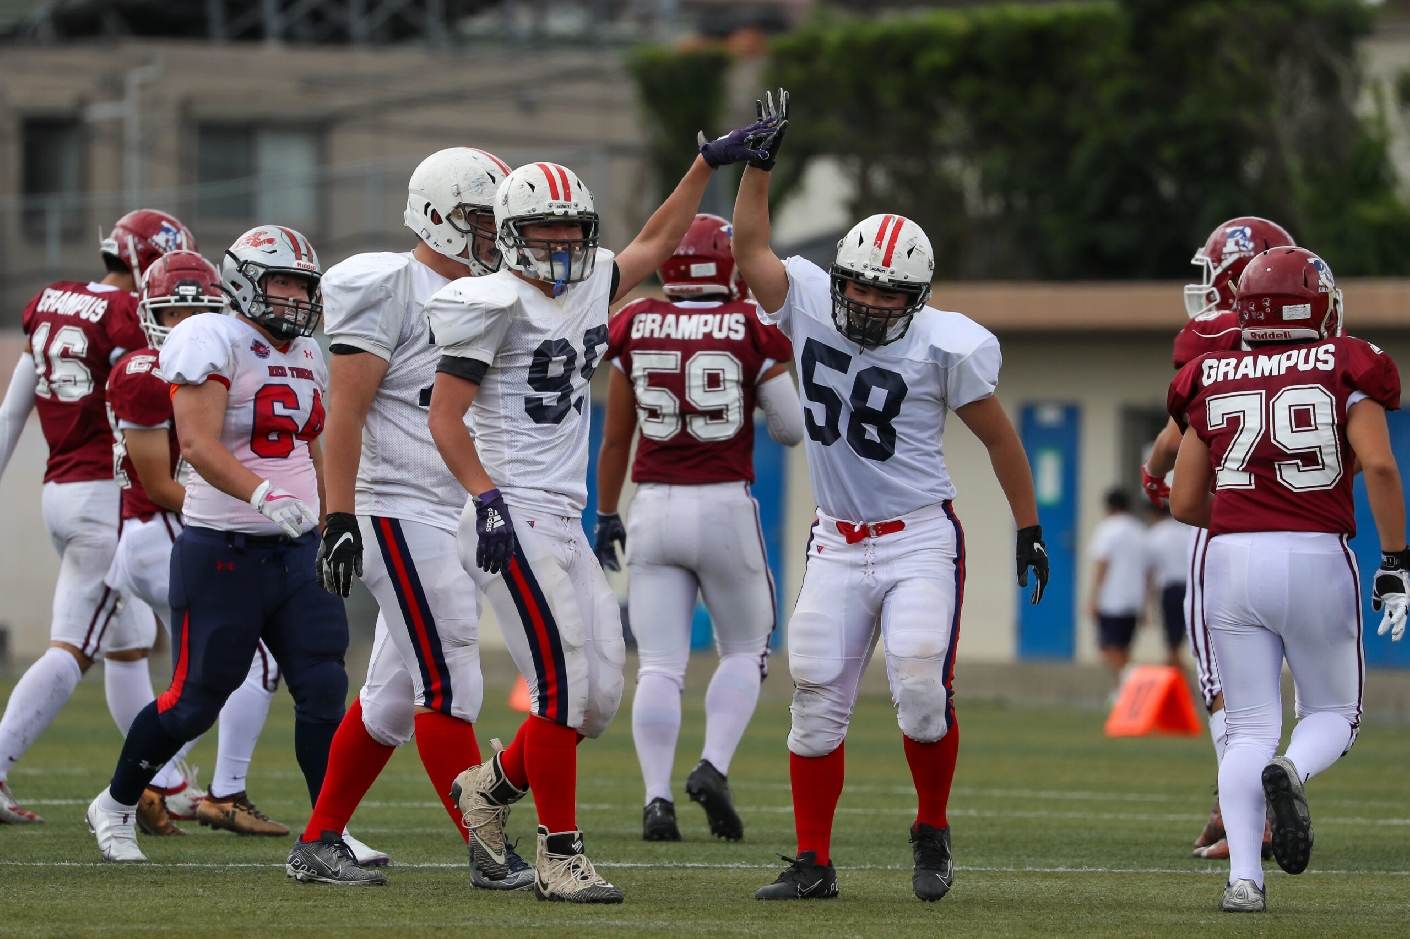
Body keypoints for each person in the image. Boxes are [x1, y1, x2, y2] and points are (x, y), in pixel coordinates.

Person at [428, 102, 781, 903]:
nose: (560, 246)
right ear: (511, 231)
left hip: (561, 517)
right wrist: (483, 499)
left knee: (593, 698)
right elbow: (445, 420)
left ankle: (488, 788)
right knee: (558, 684)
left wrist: (707, 165)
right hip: (507, 510)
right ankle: (560, 852)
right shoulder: (487, 301)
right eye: (544, 233)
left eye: (569, 232)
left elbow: (655, 240)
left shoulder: (592, 283)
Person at [730, 95, 1050, 903]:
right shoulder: (805, 298)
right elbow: (752, 248)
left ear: (918, 295)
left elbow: (1001, 438)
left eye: (888, 294)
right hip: (836, 537)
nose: (870, 303)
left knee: (918, 691)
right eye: (860, 288)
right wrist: (756, 170)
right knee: (813, 695)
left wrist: (1028, 526)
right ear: (839, 280)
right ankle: (813, 860)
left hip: (916, 539)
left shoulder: (948, 343)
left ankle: (932, 825)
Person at [291, 147, 533, 887]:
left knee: (393, 699)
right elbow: (346, 413)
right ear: (436, 213)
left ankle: (319, 838)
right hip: (394, 506)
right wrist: (338, 516)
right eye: (479, 220)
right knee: (451, 679)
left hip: (446, 510)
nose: (492, 235)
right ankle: (488, 850)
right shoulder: (387, 284)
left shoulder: (494, 293)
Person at [85, 225, 350, 866]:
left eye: (302, 285)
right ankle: (117, 801)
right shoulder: (208, 337)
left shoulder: (310, 353)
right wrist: (262, 496)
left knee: (323, 687)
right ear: (242, 282)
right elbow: (198, 444)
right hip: (223, 547)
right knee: (196, 698)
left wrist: (331, 515)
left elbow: (310, 445)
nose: (293, 297)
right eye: (282, 281)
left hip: (295, 553)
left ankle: (327, 835)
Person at [1169, 246, 1404, 913]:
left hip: (1231, 558)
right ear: (1319, 304)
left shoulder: (1209, 371)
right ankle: (1293, 769)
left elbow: (1185, 502)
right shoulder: (1348, 362)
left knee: (1245, 727)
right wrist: (1398, 561)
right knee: (1333, 712)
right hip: (1315, 553)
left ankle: (1244, 879)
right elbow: (1381, 468)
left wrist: (1252, 512)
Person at [594, 213, 803, 843]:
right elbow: (791, 429)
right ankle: (713, 765)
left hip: (652, 505)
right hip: (723, 505)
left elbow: (613, 442)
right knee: (745, 649)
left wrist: (605, 514)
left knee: (658, 663)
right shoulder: (748, 326)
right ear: (727, 263)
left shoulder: (633, 322)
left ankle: (657, 799)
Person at [0, 210, 194, 825]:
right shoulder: (126, 320)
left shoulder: (50, 302)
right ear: (145, 261)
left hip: (58, 489)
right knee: (74, 645)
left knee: (128, 645)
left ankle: (165, 782)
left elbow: (11, 412)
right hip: (104, 497)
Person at [103, 249, 290, 838]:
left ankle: (162, 784)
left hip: (155, 537)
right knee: (245, 661)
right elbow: (160, 484)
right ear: (148, 312)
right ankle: (219, 791)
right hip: (160, 534)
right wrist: (251, 505)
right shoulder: (143, 371)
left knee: (193, 673)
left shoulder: (206, 360)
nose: (185, 325)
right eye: (172, 312)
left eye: (198, 311)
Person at [1142, 216, 1294, 858]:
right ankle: (1233, 803)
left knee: (1223, 681)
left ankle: (1251, 811)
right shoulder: (1319, 341)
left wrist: (1153, 472)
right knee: (1281, 686)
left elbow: (1186, 428)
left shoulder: (1211, 336)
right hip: (1302, 530)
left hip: (1224, 522)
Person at [1087, 487, 1149, 685]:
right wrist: (1145, 602)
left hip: (1112, 598)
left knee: (1108, 647)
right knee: (1123, 647)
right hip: (1134, 598)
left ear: (1109, 506)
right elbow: (1149, 569)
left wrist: (1094, 597)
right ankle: (1123, 689)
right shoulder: (1140, 530)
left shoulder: (1108, 529)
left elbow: (1102, 564)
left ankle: (1135, 683)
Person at [1144, 505, 1191, 667]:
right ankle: (1174, 670)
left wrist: (1147, 601)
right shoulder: (1185, 532)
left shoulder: (1155, 534)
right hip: (1191, 588)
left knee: (1171, 640)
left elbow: (1150, 570)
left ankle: (1176, 676)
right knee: (1183, 636)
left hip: (1170, 589)